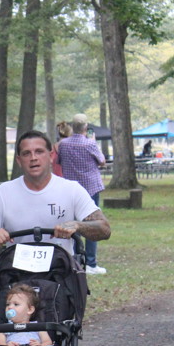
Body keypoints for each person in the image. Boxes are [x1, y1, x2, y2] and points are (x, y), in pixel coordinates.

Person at [0, 130, 110, 257]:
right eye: (26, 153)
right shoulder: (4, 192)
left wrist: (78, 225)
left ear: (51, 156)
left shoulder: (72, 189)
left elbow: (104, 229)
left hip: (61, 268)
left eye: (39, 152)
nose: (33, 158)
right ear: (19, 161)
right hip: (16, 270)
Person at [56, 114, 108, 274]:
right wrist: (93, 141)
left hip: (70, 189)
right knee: (92, 224)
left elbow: (59, 161)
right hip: (90, 187)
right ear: (85, 127)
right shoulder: (90, 143)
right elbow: (102, 161)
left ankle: (75, 259)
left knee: (73, 224)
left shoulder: (63, 144)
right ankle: (91, 262)